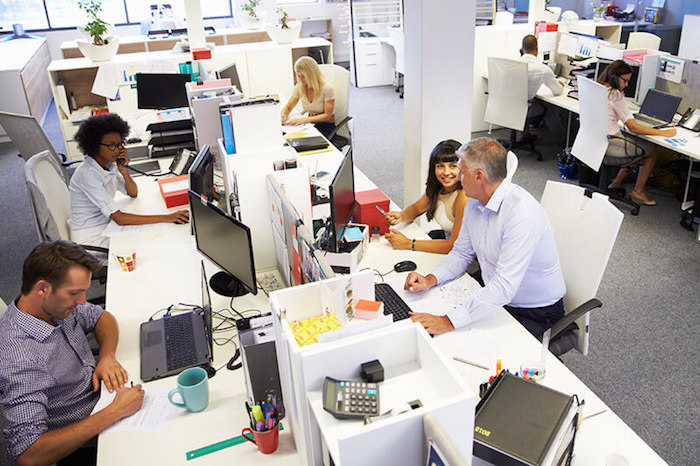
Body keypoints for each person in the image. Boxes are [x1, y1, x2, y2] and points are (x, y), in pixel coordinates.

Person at [404, 138, 566, 338]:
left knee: (468, 345)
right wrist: (431, 279)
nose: (458, 178)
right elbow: (461, 253)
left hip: (535, 311)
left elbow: (504, 286)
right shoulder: (476, 201)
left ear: (479, 176)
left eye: (462, 172)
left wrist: (447, 321)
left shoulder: (522, 215)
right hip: (494, 295)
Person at [0, 240, 144, 465]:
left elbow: (101, 317)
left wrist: (106, 356)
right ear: (42, 288)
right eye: (75, 293)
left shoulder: (52, 306)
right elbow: (28, 454)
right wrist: (113, 412)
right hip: (86, 442)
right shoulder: (21, 358)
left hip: (106, 403)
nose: (82, 301)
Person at [69, 114, 189, 247]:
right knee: (147, 244)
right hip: (91, 238)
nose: (117, 150)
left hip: (107, 224)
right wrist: (167, 217)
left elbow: (132, 193)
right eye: (111, 146)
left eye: (119, 144)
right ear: (95, 146)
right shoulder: (88, 174)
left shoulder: (108, 165)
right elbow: (119, 218)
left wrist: (124, 170)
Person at [597, 59, 677, 206]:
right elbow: (633, 128)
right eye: (625, 80)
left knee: (638, 145)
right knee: (652, 151)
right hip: (610, 144)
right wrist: (663, 133)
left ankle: (616, 182)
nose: (627, 85)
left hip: (597, 142)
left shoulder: (597, 88)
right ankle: (638, 192)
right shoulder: (615, 95)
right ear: (615, 77)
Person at [384, 140, 468, 254]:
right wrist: (401, 216)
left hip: (465, 255)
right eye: (440, 166)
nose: (446, 172)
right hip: (446, 240)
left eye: (453, 166)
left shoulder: (464, 196)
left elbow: (454, 246)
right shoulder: (437, 187)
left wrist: (408, 243)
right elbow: (416, 209)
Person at [519, 34, 567, 141]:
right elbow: (557, 91)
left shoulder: (513, 64)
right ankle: (562, 140)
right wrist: (560, 84)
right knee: (550, 109)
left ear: (522, 48)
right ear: (537, 48)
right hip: (524, 109)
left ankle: (526, 134)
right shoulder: (543, 69)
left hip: (507, 107)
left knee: (529, 101)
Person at [280, 56, 336, 138]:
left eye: (303, 76)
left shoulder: (327, 88)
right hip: (310, 124)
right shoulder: (300, 86)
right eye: (298, 76)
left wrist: (304, 120)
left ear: (312, 75)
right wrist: (283, 115)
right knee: (288, 137)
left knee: (302, 141)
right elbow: (288, 107)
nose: (300, 79)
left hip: (326, 127)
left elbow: (327, 116)